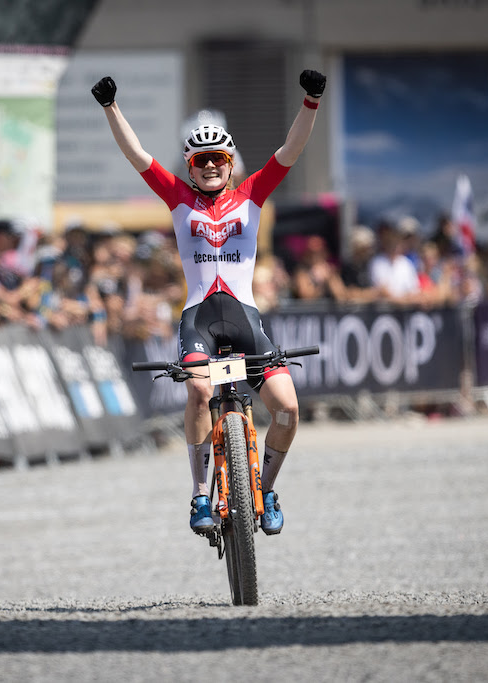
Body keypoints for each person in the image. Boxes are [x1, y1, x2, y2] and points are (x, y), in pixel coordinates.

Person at [93, 68, 326, 536]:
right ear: (189, 165)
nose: (211, 166)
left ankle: (269, 487)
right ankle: (200, 494)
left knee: (288, 410)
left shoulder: (252, 194)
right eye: (201, 160)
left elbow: (291, 151)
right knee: (199, 390)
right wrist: (110, 108)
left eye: (219, 157)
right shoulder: (177, 198)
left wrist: (311, 100)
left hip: (244, 319)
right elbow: (137, 155)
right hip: (199, 319)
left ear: (231, 160)